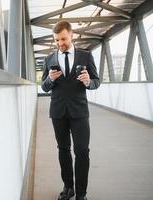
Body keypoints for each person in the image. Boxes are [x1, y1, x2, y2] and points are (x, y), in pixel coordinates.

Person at [41, 20, 100, 200]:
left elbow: (96, 82)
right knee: (63, 150)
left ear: (71, 34)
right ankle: (68, 187)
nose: (60, 43)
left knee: (82, 151)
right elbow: (43, 87)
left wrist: (88, 82)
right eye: (57, 40)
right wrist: (50, 79)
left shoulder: (85, 56)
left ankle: (81, 193)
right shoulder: (49, 59)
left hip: (79, 112)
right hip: (58, 112)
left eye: (63, 39)